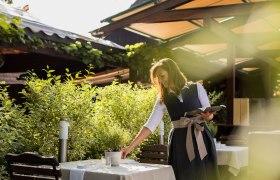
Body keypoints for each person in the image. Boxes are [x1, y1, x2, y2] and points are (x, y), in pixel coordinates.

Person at [121, 58, 220, 180]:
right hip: (180, 143)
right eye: (158, 78)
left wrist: (208, 116)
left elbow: (209, 113)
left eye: (162, 76)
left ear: (172, 72)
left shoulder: (197, 88)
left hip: (201, 137)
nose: (161, 80)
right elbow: (150, 125)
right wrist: (129, 147)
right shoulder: (162, 98)